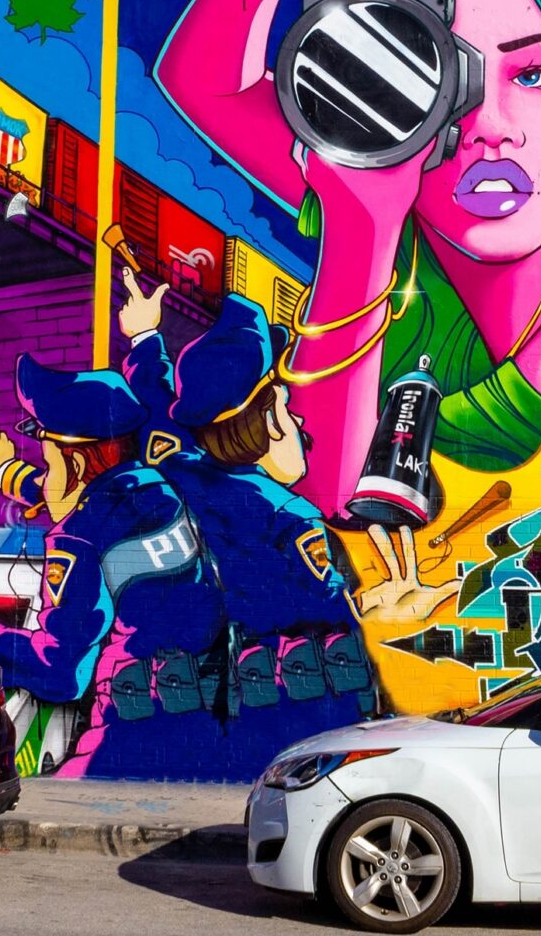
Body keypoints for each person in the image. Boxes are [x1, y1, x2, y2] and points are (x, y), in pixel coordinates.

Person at [155, 0, 541, 589]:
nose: (490, 128)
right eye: (439, 77)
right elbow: (203, 83)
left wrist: (361, 236)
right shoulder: (403, 209)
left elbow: (347, 522)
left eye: (534, 73)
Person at [0, 354, 229, 777]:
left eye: (50, 462)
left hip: (128, 732)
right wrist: (7, 469)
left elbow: (60, 670)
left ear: (78, 464)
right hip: (198, 715)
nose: (46, 475)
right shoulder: (155, 492)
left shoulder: (77, 540)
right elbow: (86, 499)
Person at [118, 280, 372, 769]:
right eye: (286, 408)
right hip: (279, 715)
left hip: (183, 707)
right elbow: (333, 618)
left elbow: (157, 410)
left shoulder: (177, 468)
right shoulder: (289, 518)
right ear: (272, 423)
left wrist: (145, 337)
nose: (299, 426)